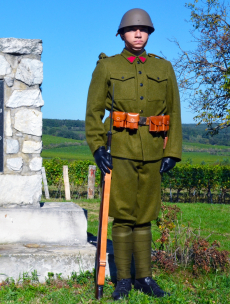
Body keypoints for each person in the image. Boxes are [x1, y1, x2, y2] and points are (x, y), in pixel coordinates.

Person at [85, 8, 182, 300]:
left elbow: (175, 112)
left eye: (144, 30)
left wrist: (173, 151)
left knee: (145, 217)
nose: (138, 34)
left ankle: (145, 277)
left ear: (149, 34)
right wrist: (98, 146)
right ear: (122, 34)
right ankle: (124, 280)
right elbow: (93, 112)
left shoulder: (163, 69)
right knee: (124, 217)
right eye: (132, 29)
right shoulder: (108, 67)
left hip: (153, 151)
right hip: (121, 151)